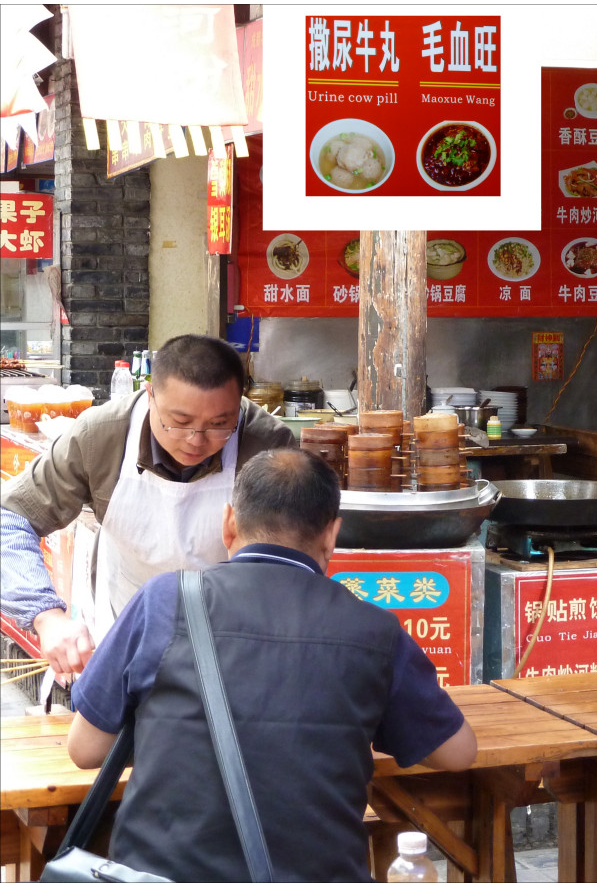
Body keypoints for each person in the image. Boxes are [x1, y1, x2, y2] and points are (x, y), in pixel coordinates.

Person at [67, 449, 477, 881]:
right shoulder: (374, 630)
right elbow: (458, 751)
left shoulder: (163, 600)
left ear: (228, 523)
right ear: (331, 535)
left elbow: (85, 750)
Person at [1, 334, 296, 680]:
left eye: (219, 425)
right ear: (150, 395)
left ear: (239, 402)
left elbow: (292, 562)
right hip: (127, 633)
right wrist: (45, 615)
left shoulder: (269, 447)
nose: (196, 440)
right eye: (180, 421)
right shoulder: (101, 436)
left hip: (236, 646)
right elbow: (11, 518)